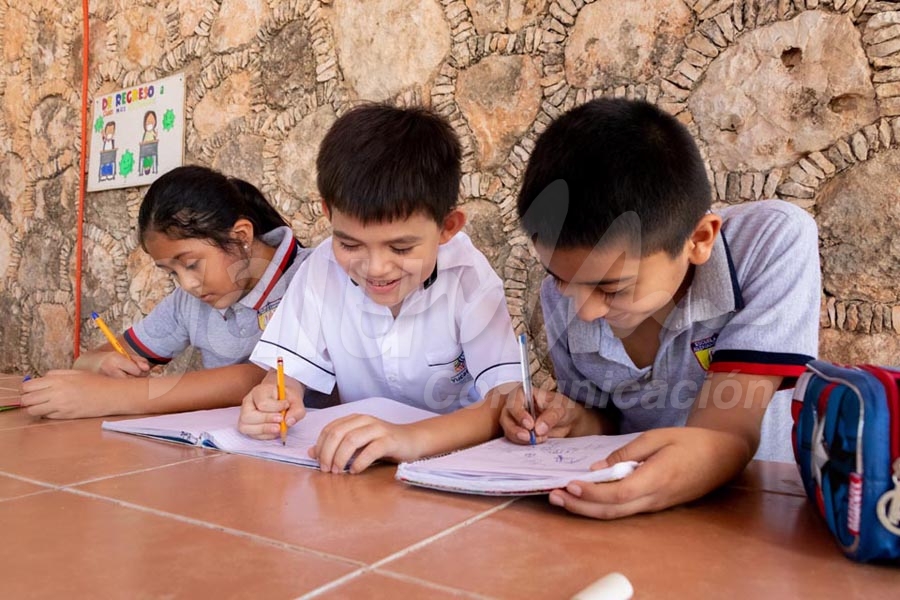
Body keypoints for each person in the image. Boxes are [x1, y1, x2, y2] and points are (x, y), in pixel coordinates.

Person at [501, 98, 820, 519]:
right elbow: (606, 418)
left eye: (612, 288)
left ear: (699, 240)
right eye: (559, 277)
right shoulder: (561, 295)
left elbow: (725, 433)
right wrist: (572, 420)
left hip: (754, 512)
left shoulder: (769, 243)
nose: (584, 311)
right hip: (630, 504)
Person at [238, 104, 522, 473]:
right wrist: (272, 400)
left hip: (457, 468)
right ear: (328, 213)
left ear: (447, 227)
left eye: (401, 248)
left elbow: (504, 399)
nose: (375, 268)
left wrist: (408, 439)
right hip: (359, 471)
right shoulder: (321, 270)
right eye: (350, 244)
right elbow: (286, 377)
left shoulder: (468, 278)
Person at [21, 165, 310, 418]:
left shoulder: (309, 275)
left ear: (240, 236)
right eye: (172, 272)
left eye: (192, 264)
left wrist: (114, 396)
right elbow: (88, 361)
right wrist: (100, 364)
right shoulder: (191, 300)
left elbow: (262, 377)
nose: (187, 284)